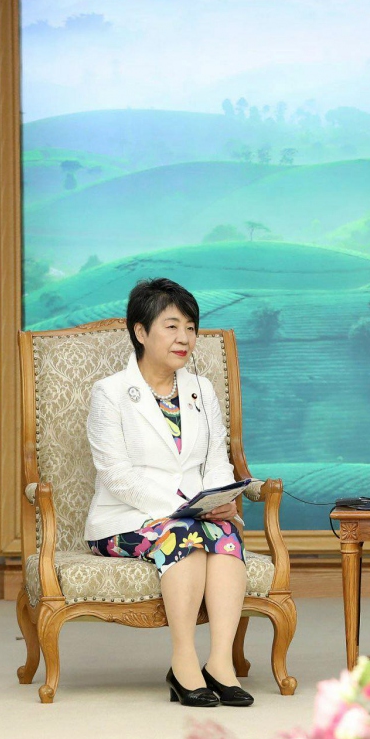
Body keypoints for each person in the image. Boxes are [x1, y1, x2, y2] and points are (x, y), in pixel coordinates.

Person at [84, 278, 254, 707]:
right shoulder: (110, 393)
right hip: (125, 518)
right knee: (187, 536)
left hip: (192, 515)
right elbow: (116, 475)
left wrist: (219, 500)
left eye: (191, 328)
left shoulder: (203, 390)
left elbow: (216, 460)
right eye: (172, 326)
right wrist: (185, 511)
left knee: (226, 537)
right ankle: (183, 663)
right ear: (141, 332)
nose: (185, 338)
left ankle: (219, 664)